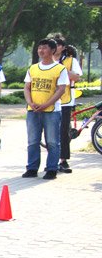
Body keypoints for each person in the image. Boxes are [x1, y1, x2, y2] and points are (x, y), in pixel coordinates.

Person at [22, 38, 69, 180]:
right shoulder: (33, 68)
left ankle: (51, 169)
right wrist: (30, 102)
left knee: (53, 141)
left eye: (44, 48)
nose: (41, 51)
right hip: (33, 111)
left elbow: (61, 90)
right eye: (39, 48)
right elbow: (27, 87)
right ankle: (31, 168)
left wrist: (47, 104)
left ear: (53, 50)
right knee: (33, 141)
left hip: (52, 111)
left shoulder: (60, 69)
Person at [53, 36, 83, 173]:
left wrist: (61, 69)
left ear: (63, 47)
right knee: (50, 131)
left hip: (65, 100)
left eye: (59, 44)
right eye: (53, 44)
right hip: (49, 100)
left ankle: (63, 160)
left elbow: (76, 77)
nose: (56, 47)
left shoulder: (71, 61)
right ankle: (51, 160)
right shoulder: (46, 60)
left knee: (63, 130)